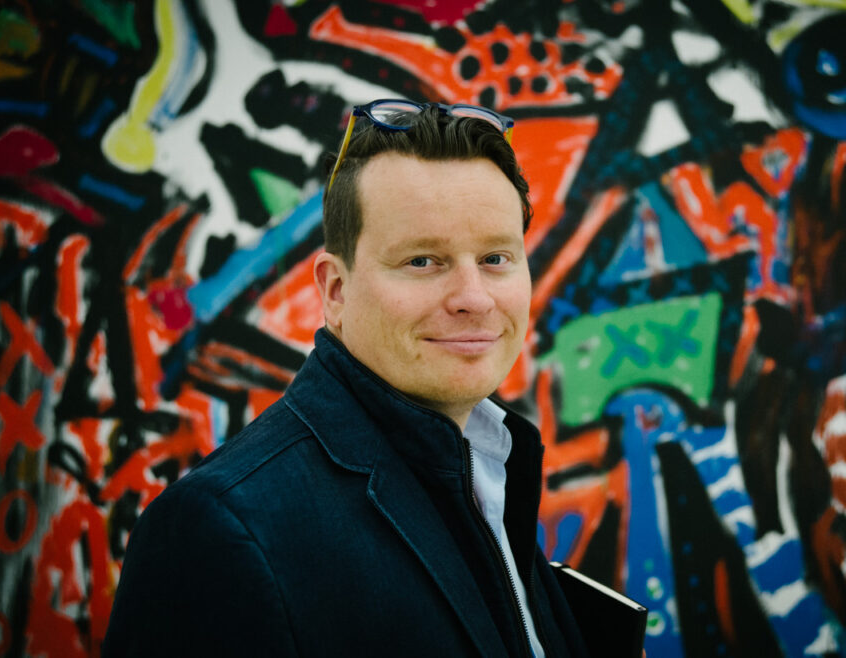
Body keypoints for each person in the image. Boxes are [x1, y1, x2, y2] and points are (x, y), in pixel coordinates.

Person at [102, 100, 590, 657]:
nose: (474, 299)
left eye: (496, 259)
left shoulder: (489, 472)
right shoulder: (216, 530)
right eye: (422, 261)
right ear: (335, 290)